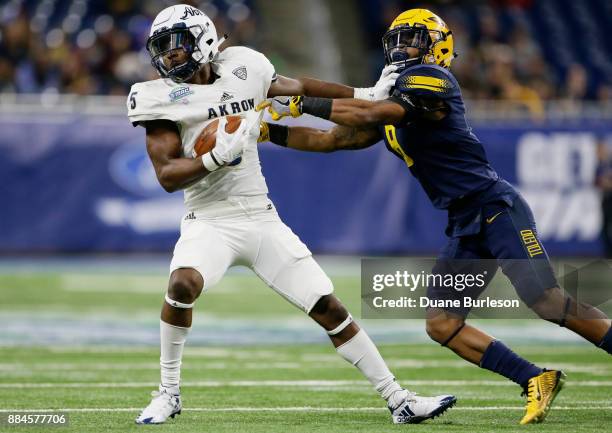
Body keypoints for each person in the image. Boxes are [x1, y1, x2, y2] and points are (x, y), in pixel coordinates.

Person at [257, 8, 612, 425]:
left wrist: (301, 102)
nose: (402, 48)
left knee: (547, 301)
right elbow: (333, 141)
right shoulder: (393, 91)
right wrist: (266, 131)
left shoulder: (435, 79)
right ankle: (535, 378)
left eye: (413, 39)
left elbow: (371, 114)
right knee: (442, 323)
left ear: (438, 45)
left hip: (495, 208)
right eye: (397, 40)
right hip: (464, 221)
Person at [127, 4, 456, 425]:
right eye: (164, 50)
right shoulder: (155, 97)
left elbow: (301, 86)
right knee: (183, 283)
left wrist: (364, 94)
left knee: (328, 307)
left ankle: (399, 399)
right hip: (209, 219)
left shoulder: (245, 65)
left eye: (178, 47)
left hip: (260, 217)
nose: (170, 58)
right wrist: (213, 159)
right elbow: (168, 176)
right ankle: (168, 393)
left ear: (204, 40)